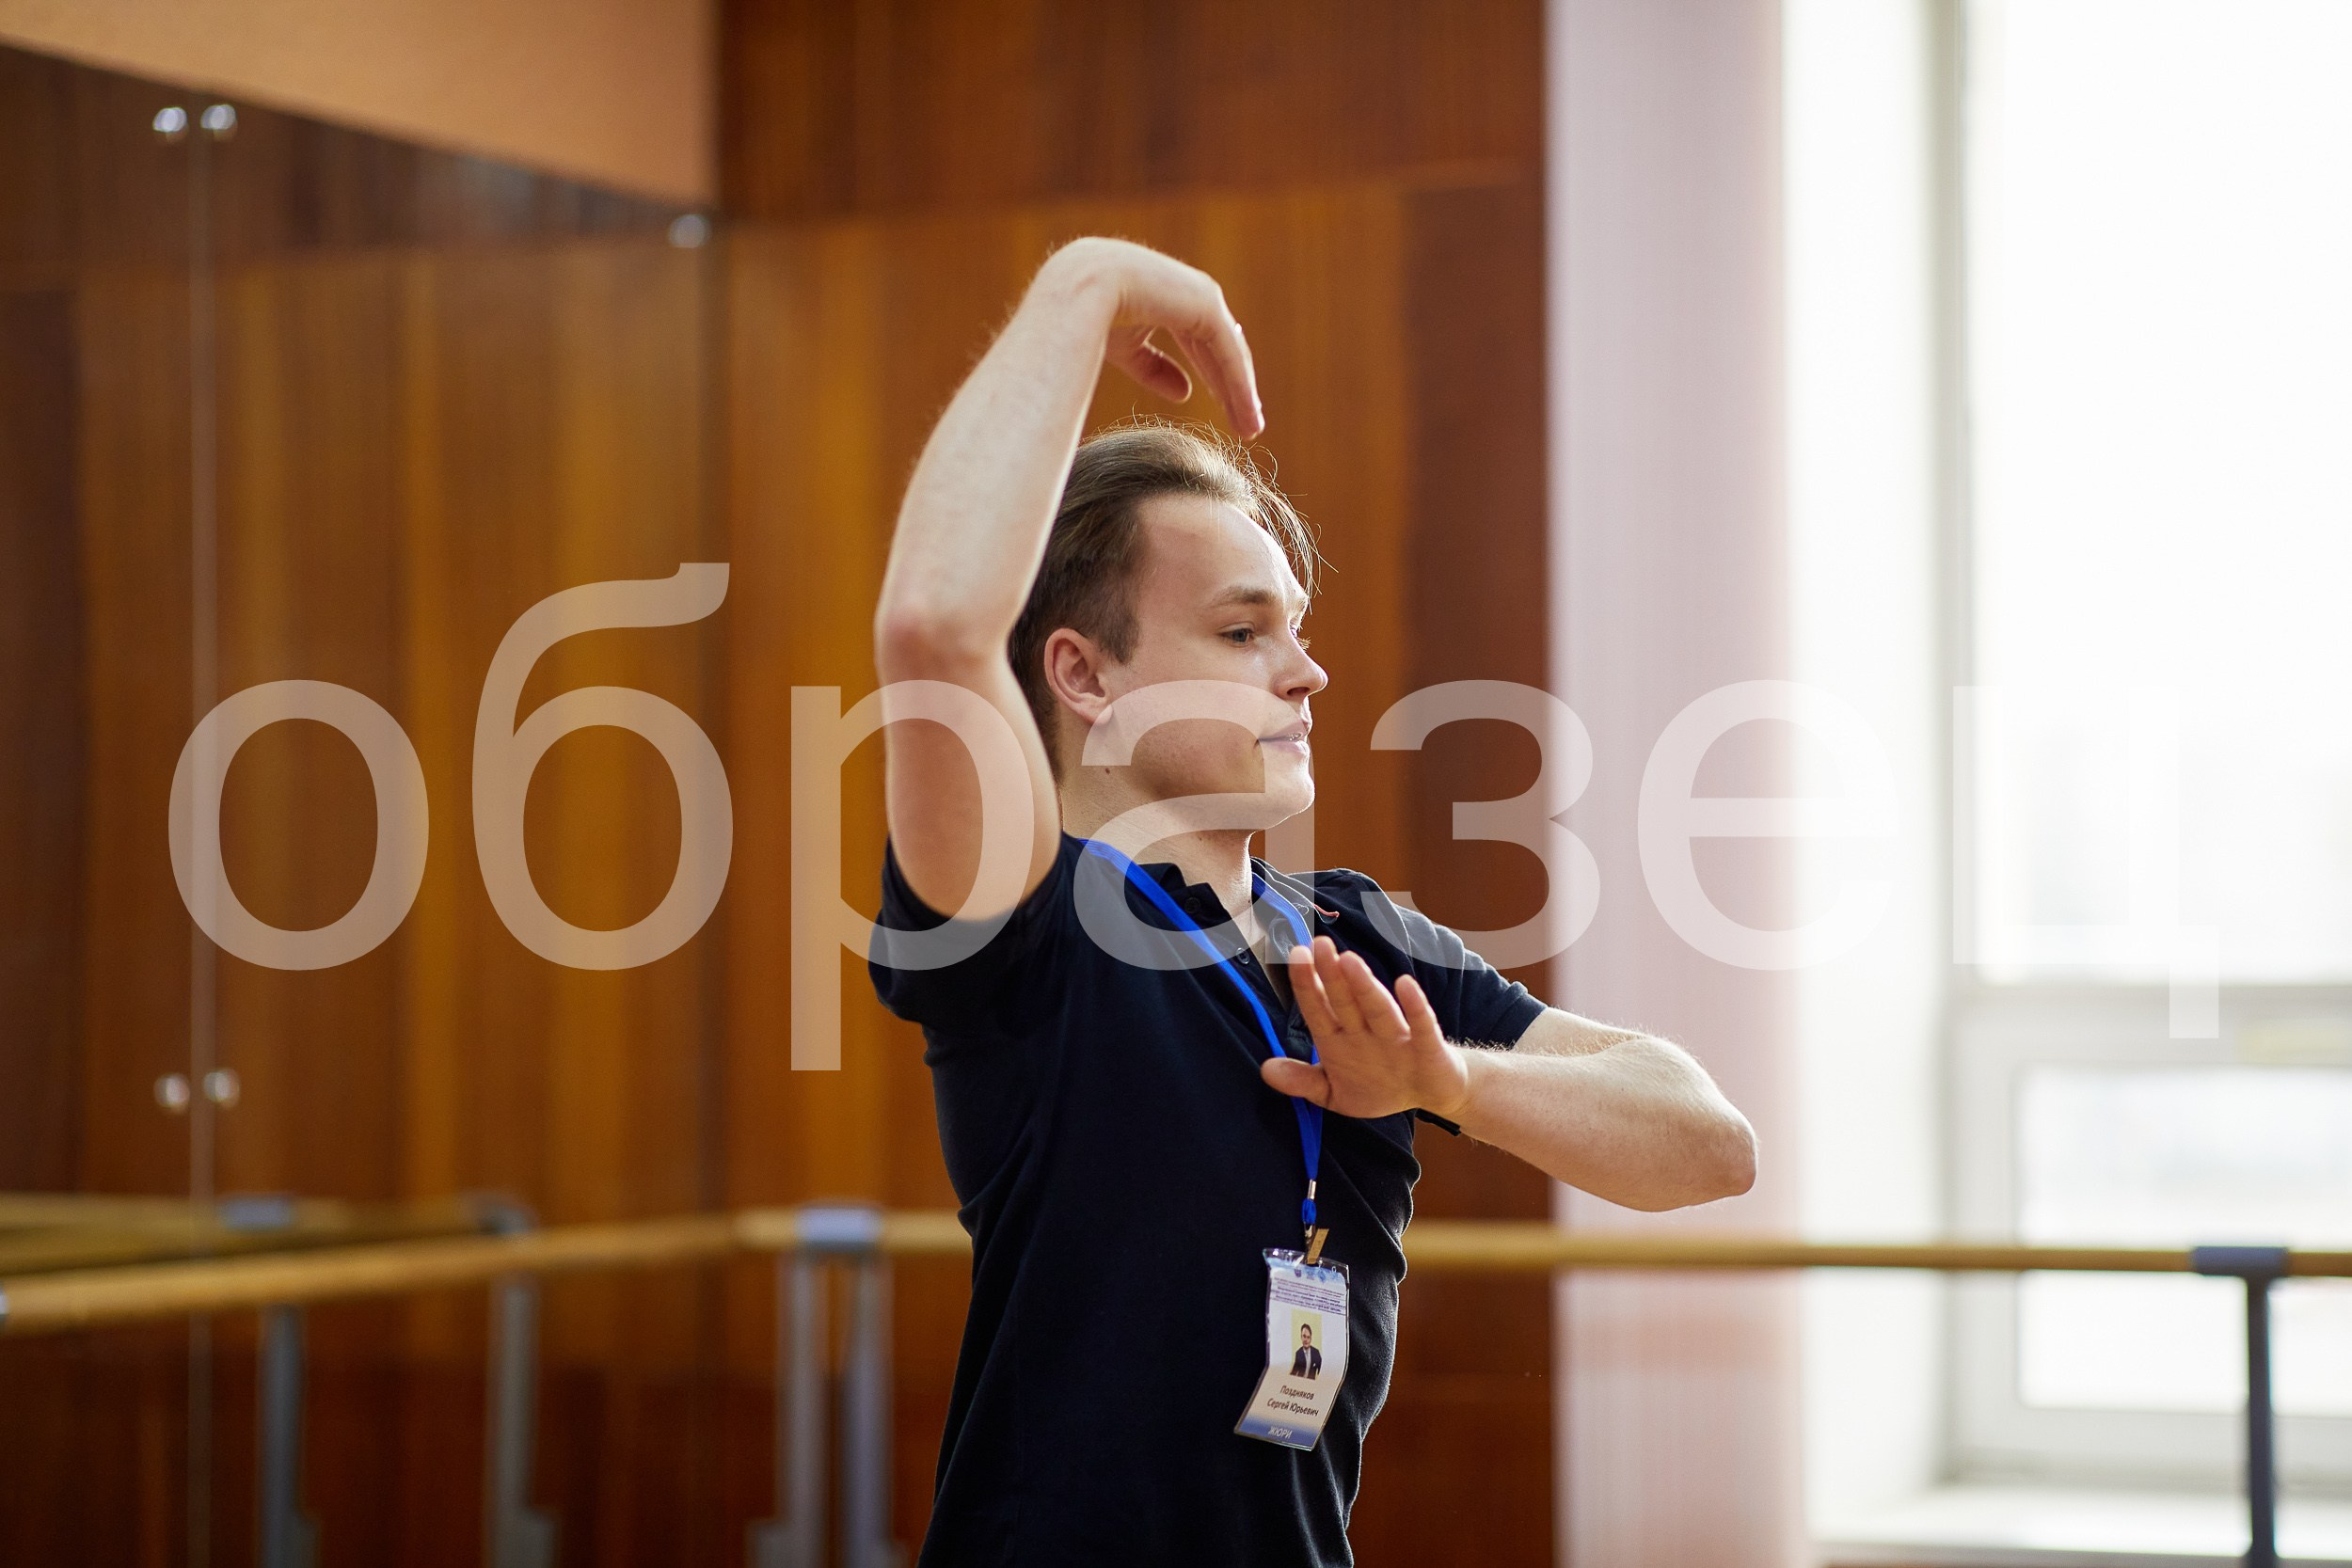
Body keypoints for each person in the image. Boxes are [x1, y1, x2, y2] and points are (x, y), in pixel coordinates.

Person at [868, 236, 1756, 1567]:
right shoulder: (1032, 920)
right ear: (1085, 674)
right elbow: (937, 630)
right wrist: (1083, 287)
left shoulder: (1357, 941)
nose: (1309, 673)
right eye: (1242, 633)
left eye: (1295, 624)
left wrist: (1447, 1080)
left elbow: (1708, 1143)